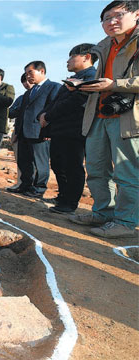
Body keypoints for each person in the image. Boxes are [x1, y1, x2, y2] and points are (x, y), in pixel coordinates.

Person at [69, 1, 139, 238]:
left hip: (128, 116)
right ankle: (103, 212)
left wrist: (116, 85)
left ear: (136, 14)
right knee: (97, 169)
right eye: (106, 18)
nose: (111, 22)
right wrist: (84, 86)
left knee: (126, 172)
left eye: (118, 15)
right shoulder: (104, 46)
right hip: (98, 114)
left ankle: (126, 221)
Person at [36, 44, 98, 214]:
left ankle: (70, 202)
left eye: (72, 57)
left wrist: (48, 116)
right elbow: (55, 102)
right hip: (59, 129)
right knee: (58, 164)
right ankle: (62, 196)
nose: (68, 61)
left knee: (72, 166)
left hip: (74, 130)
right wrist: (43, 114)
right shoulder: (73, 78)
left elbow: (75, 101)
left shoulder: (92, 77)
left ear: (86, 57)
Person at [11, 61, 61, 198]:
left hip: (40, 132)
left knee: (40, 162)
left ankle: (39, 188)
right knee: (24, 161)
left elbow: (54, 109)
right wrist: (17, 131)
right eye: (26, 73)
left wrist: (48, 131)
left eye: (30, 72)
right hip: (24, 132)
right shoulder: (29, 92)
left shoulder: (54, 87)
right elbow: (22, 113)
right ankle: (25, 185)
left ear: (42, 71)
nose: (27, 76)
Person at [7, 73, 34, 189]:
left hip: (36, 133)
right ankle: (21, 183)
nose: (26, 84)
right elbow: (11, 112)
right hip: (20, 132)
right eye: (24, 81)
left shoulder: (41, 96)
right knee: (21, 161)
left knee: (36, 161)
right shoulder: (21, 98)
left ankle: (35, 186)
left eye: (29, 81)